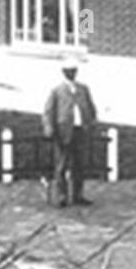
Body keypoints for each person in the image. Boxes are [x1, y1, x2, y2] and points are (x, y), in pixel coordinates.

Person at [43, 60, 97, 207]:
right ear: (63, 73)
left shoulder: (83, 89)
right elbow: (48, 112)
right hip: (63, 132)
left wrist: (91, 122)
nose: (71, 74)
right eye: (68, 71)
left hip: (80, 131)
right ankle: (61, 196)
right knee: (61, 165)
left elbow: (90, 108)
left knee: (79, 165)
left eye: (73, 71)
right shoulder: (57, 91)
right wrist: (49, 129)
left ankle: (78, 195)